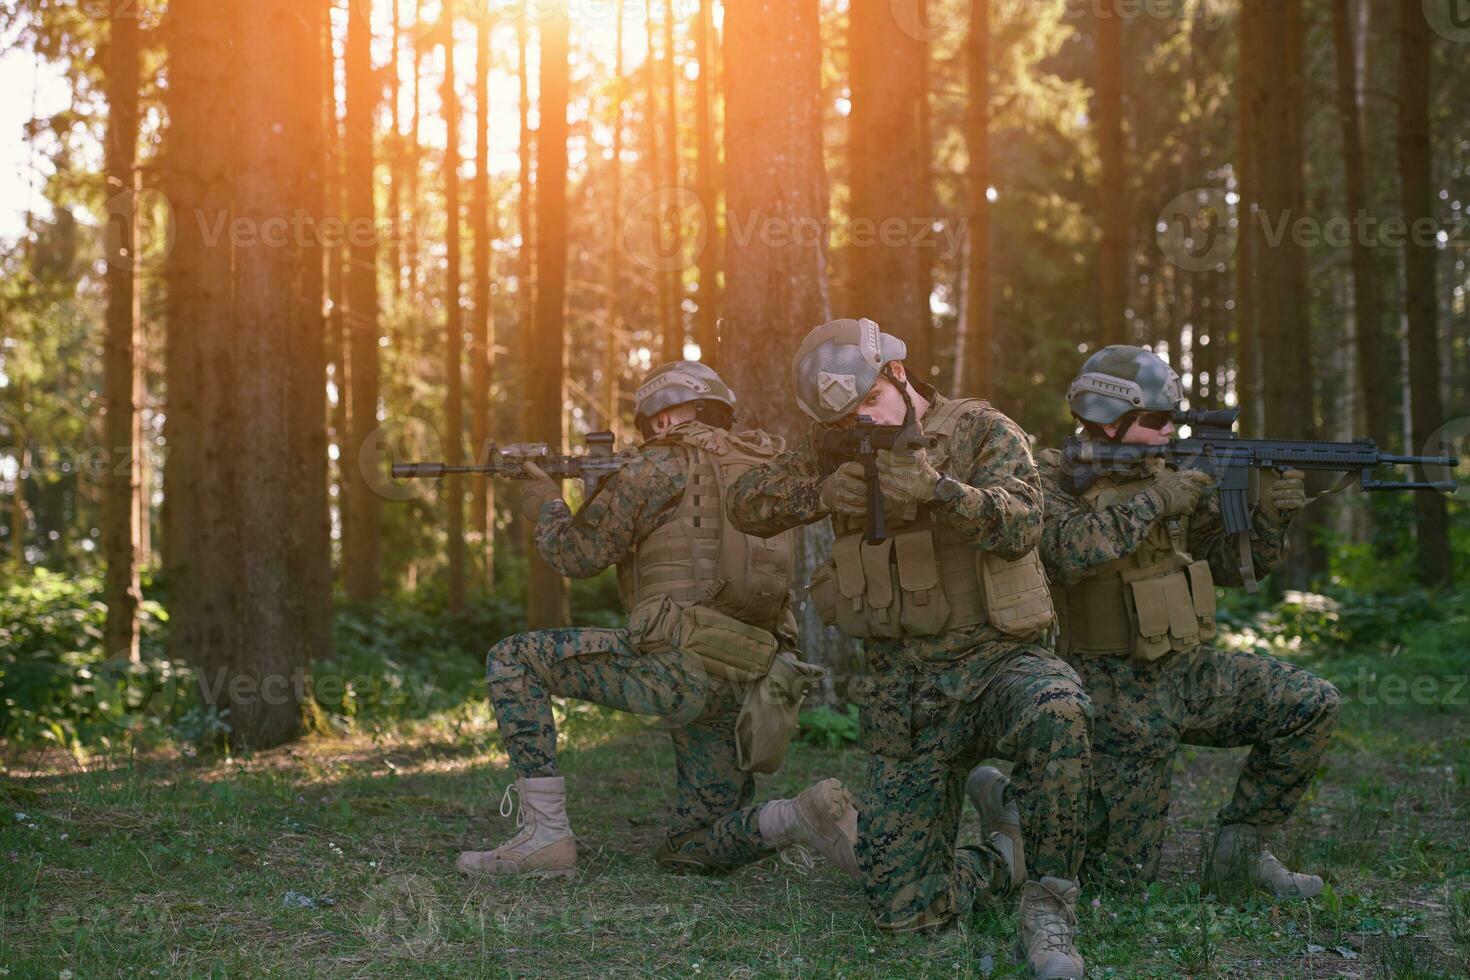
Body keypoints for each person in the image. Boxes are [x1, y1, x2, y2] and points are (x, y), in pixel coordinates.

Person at [727, 318, 1091, 980]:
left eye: (869, 403)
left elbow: (1023, 524)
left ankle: (1050, 910)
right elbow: (745, 504)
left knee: (1060, 708)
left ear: (896, 373)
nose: (863, 423)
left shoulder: (983, 430)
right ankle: (1007, 846)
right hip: (907, 697)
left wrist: (939, 492)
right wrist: (817, 491)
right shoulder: (833, 445)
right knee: (903, 915)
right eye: (847, 416)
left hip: (1002, 668)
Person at [457, 361, 858, 880]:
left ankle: (545, 837)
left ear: (660, 419)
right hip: (749, 678)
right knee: (692, 847)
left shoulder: (661, 464)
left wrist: (550, 507)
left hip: (678, 669)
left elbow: (577, 557)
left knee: (514, 659)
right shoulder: (763, 467)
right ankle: (795, 817)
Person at [1036, 344, 1339, 897]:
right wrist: (1158, 500)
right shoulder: (1049, 478)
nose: (1166, 433)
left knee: (1308, 702)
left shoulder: (1170, 470)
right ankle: (1010, 803)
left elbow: (1226, 564)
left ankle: (1241, 855)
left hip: (1185, 670)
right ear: (1109, 419)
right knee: (1121, 887)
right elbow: (1066, 551)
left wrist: (1270, 518)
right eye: (1156, 421)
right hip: (1102, 685)